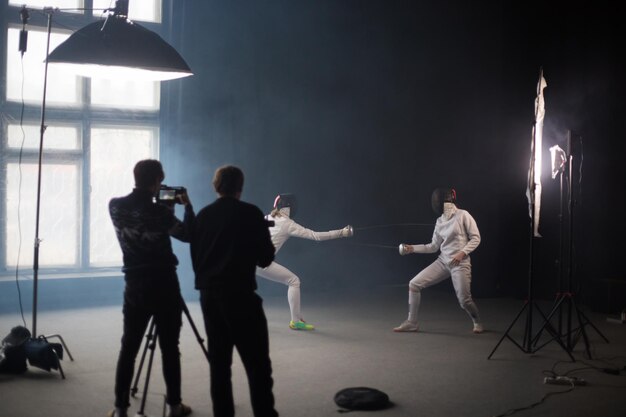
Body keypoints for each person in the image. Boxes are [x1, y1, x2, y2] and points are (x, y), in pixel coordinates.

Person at [190, 165, 279, 417]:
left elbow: (197, 261)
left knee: (219, 366)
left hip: (209, 297)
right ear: (241, 186)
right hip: (241, 296)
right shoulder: (251, 214)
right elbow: (265, 260)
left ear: (216, 186)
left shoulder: (203, 216)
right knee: (257, 366)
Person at [108, 159, 194, 417]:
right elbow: (188, 234)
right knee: (170, 347)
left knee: (129, 347)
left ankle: (120, 409)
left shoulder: (115, 206)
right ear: (157, 181)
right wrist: (186, 206)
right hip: (164, 285)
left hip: (134, 285)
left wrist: (164, 206)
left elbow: (141, 216)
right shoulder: (160, 213)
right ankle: (174, 406)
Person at [256, 193, 353, 330]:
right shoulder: (287, 224)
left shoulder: (266, 217)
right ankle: (295, 321)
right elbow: (315, 236)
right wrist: (341, 233)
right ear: (290, 207)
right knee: (293, 281)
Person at [394, 188, 484, 334]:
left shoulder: (463, 215)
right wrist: (412, 248)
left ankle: (477, 321)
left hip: (460, 264)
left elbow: (476, 238)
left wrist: (462, 253)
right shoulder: (440, 221)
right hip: (443, 262)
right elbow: (433, 246)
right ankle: (412, 322)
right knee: (414, 284)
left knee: (464, 301)